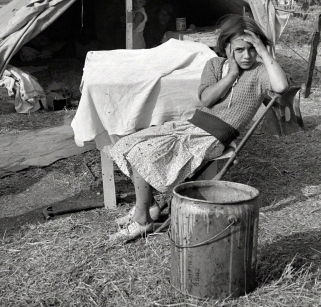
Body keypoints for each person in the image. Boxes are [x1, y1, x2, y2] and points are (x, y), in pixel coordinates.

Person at [108, 14, 289, 242]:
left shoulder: (260, 72)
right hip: (193, 126)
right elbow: (206, 99)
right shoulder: (214, 65)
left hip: (215, 135)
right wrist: (232, 74)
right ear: (226, 47)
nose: (247, 55)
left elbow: (281, 87)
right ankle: (149, 206)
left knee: (143, 153)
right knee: (128, 143)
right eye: (240, 49)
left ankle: (142, 220)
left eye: (252, 49)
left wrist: (264, 52)